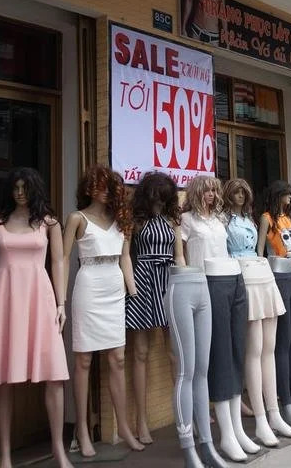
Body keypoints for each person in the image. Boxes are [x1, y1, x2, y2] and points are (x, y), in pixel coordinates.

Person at [0, 167, 72, 468]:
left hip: (40, 299)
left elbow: (58, 262)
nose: (20, 193)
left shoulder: (49, 222)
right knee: (4, 378)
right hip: (5, 301)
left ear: (35, 189)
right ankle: (5, 455)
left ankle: (59, 451)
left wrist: (61, 304)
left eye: (25, 188)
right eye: (15, 188)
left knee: (54, 375)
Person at [63, 165, 143, 457]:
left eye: (110, 186)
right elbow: (62, 259)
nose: (106, 191)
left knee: (118, 359)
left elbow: (125, 259)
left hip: (114, 287)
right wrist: (59, 300)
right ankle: (82, 430)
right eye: (101, 185)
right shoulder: (77, 218)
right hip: (88, 286)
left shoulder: (122, 220)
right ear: (89, 187)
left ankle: (124, 428)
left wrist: (133, 292)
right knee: (84, 360)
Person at [125, 172, 185, 444]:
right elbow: (126, 255)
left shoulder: (173, 221)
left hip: (169, 280)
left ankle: (184, 414)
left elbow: (179, 256)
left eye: (164, 196)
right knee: (140, 353)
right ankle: (141, 421)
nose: (159, 200)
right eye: (156, 195)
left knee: (175, 352)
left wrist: (183, 286)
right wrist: (131, 287)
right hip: (143, 280)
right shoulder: (135, 220)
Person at [257, 180, 291, 257]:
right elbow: (260, 247)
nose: (290, 196)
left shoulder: (286, 217)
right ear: (279, 194)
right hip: (277, 262)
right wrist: (261, 262)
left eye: (290, 194)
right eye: (287, 193)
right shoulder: (266, 218)